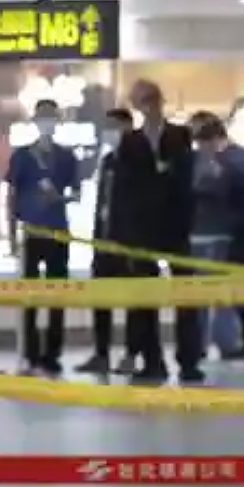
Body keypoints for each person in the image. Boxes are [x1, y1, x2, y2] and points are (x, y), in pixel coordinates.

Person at [111, 79, 201, 383]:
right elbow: (123, 190)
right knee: (144, 298)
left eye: (151, 99)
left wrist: (187, 220)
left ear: (160, 100)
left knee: (186, 296)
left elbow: (186, 179)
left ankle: (189, 361)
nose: (148, 107)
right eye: (141, 101)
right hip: (142, 230)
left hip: (175, 227)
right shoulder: (130, 142)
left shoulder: (180, 135)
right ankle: (152, 360)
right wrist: (124, 236)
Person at [5, 98, 79, 376]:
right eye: (42, 117)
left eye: (51, 117)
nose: (47, 122)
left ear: (58, 121)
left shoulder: (66, 157)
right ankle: (31, 352)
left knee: (57, 295)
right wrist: (11, 235)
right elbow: (12, 196)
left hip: (58, 232)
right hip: (32, 233)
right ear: (34, 121)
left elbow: (77, 192)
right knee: (30, 297)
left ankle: (53, 353)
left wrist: (60, 198)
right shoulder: (22, 157)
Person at [190, 113, 244, 360]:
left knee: (223, 293)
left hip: (231, 233)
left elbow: (211, 189)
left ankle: (234, 343)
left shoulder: (222, 163)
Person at [75, 107, 141, 375]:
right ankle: (101, 353)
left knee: (134, 302)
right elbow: (102, 203)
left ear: (128, 128)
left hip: (129, 243)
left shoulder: (138, 162)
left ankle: (131, 354)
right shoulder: (108, 161)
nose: (110, 132)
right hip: (104, 241)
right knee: (101, 299)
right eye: (107, 127)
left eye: (115, 126)